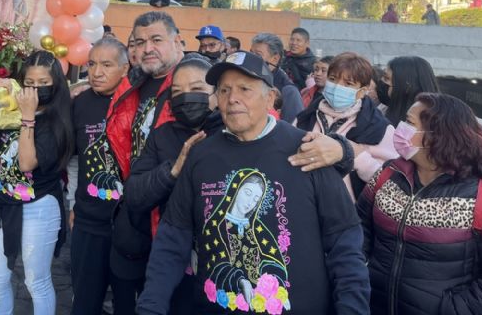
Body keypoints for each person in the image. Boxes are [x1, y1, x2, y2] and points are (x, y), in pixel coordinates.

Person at [137, 51, 370, 315]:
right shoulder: (202, 156)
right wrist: (151, 305)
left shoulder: (308, 149)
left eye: (244, 89)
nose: (232, 98)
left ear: (270, 97)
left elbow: (344, 243)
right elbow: (172, 239)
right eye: (224, 90)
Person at [357, 93, 482, 314]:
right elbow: (359, 226)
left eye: (409, 123)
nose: (400, 128)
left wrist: (451, 310)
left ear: (438, 135)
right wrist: (359, 274)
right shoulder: (388, 174)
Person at [126, 56, 224, 313]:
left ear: (216, 94)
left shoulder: (234, 132)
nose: (187, 98)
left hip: (222, 264)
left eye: (197, 89)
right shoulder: (162, 135)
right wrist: (174, 169)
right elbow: (135, 196)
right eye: (177, 92)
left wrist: (342, 150)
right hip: (174, 261)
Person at [0, 51, 73, 315]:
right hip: (3, 204)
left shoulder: (58, 120)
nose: (36, 89)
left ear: (56, 83)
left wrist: (28, 116)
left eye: (44, 83)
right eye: (30, 83)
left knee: (37, 281)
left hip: (39, 205)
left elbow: (27, 163)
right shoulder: (13, 110)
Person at [106, 11, 184, 313]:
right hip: (135, 203)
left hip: (173, 211)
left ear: (176, 41)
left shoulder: (195, 81)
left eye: (156, 39)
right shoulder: (132, 85)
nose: (147, 48)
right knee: (127, 291)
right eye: (139, 42)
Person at [69, 38, 129, 315]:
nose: (96, 72)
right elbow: (72, 158)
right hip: (89, 220)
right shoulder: (79, 103)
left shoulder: (137, 103)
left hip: (129, 223)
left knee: (126, 302)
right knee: (85, 300)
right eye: (92, 64)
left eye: (107, 65)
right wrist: (73, 203)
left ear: (125, 68)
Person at [291, 52, 395, 200]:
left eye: (348, 83)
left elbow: (389, 183)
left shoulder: (379, 128)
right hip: (302, 201)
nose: (337, 87)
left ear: (362, 91)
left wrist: (357, 156)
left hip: (348, 212)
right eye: (333, 79)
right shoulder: (306, 117)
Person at [249, 32, 304, 123]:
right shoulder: (246, 78)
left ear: (275, 59)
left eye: (258, 55)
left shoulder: (289, 91)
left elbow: (291, 130)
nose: (252, 58)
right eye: (251, 53)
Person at [377, 55, 439, 125]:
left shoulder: (424, 121)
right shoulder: (383, 109)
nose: (382, 81)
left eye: (386, 78)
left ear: (407, 86)